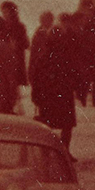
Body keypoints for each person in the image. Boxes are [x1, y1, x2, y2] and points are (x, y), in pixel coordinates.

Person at [29, 13, 77, 153]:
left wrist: (35, 94)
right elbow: (73, 73)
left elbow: (37, 76)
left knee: (47, 123)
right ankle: (64, 150)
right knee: (66, 125)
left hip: (47, 95)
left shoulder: (43, 56)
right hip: (63, 94)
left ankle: (47, 150)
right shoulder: (67, 56)